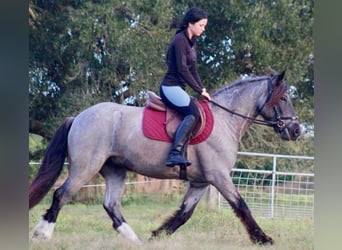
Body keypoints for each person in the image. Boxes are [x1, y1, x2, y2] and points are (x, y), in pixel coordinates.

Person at [159, 7, 211, 167]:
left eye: (204, 26)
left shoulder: (192, 42)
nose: (203, 29)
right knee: (193, 113)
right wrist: (199, 90)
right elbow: (183, 69)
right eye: (201, 25)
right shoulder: (180, 40)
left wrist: (203, 90)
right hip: (169, 87)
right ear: (191, 23)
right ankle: (174, 154)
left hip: (178, 88)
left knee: (198, 109)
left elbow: (193, 69)